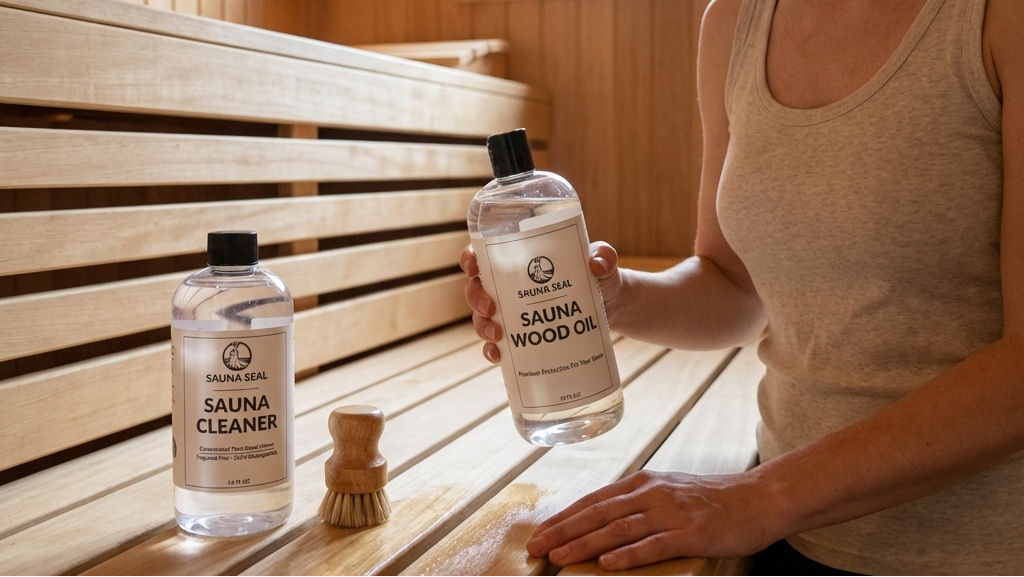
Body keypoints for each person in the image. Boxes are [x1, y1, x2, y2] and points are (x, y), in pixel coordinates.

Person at [460, 0, 1023, 573]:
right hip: (798, 536)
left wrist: (758, 497)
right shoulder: (734, 22)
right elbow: (735, 287)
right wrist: (609, 297)